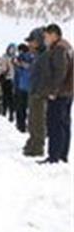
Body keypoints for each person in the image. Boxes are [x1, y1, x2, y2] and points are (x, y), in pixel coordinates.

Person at [39, 24, 73, 164]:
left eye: (46, 36)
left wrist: (53, 91)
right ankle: (62, 155)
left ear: (53, 35)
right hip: (68, 91)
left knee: (55, 125)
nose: (45, 39)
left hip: (59, 93)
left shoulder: (59, 49)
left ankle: (54, 157)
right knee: (64, 124)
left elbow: (60, 72)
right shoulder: (67, 46)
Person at [22, 27, 50, 157]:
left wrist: (40, 92)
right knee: (32, 120)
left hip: (39, 94)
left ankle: (37, 147)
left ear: (39, 41)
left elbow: (46, 76)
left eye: (31, 41)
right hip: (33, 92)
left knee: (38, 121)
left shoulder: (44, 56)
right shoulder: (38, 56)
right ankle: (32, 143)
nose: (29, 44)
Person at [13, 43, 33, 133]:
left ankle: (21, 126)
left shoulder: (21, 58)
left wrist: (18, 65)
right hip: (30, 87)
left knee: (21, 108)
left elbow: (18, 73)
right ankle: (28, 126)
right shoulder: (33, 57)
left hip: (21, 87)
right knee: (30, 109)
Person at [0, 43, 17, 121]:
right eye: (11, 48)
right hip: (6, 79)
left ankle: (11, 114)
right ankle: (4, 111)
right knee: (5, 96)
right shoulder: (4, 57)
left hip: (13, 79)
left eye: (14, 49)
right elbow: (1, 67)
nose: (12, 50)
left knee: (11, 98)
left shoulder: (15, 58)